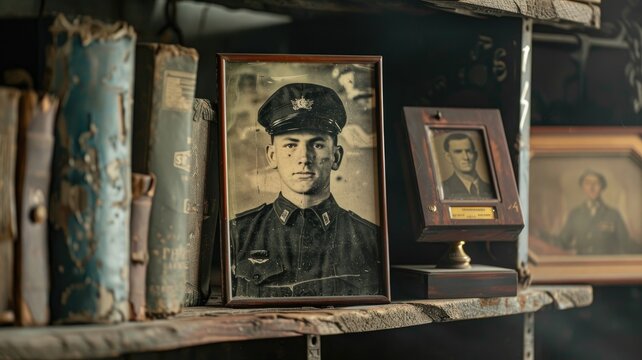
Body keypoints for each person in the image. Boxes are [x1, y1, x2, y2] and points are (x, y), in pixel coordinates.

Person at [230, 83, 381, 298]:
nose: (304, 159)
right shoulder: (238, 234)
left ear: (336, 157)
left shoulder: (370, 238)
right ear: (272, 156)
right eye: (291, 145)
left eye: (317, 145)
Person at [555, 170, 630, 255]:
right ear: (583, 187)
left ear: (602, 187)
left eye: (596, 183)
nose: (591, 187)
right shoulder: (575, 214)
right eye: (587, 183)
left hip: (606, 265)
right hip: (581, 265)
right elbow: (562, 242)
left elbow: (626, 245)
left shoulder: (613, 214)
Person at [441, 132, 494, 199]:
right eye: (458, 152)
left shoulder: (491, 189)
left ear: (475, 155)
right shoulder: (442, 190)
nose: (466, 157)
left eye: (469, 151)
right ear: (448, 157)